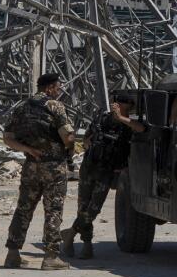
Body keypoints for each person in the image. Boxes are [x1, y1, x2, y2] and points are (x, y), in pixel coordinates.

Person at [3, 73, 75, 270]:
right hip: (54, 167)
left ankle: (13, 254)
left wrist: (28, 149)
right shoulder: (55, 106)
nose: (59, 92)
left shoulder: (21, 107)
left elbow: (7, 138)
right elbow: (67, 137)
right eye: (58, 88)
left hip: (31, 165)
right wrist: (72, 143)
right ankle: (51, 257)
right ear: (50, 88)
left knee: (24, 208)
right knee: (53, 209)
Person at [60, 91, 145, 259]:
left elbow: (141, 129)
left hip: (107, 171)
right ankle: (87, 245)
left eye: (126, 103)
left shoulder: (129, 123)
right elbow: (86, 138)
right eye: (119, 102)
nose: (121, 105)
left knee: (93, 209)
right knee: (83, 207)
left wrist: (121, 118)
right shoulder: (101, 118)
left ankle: (70, 234)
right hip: (90, 167)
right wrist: (90, 146)